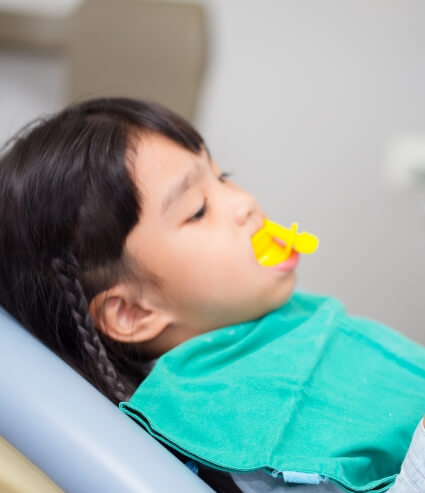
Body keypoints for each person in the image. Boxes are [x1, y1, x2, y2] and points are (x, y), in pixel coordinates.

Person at [0, 97, 422, 493]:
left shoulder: (268, 319)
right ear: (131, 311)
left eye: (224, 178)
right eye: (198, 209)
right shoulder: (231, 428)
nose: (245, 203)